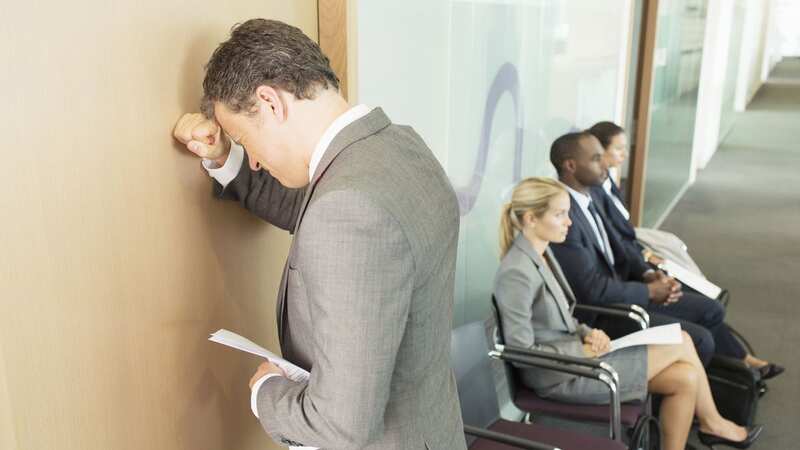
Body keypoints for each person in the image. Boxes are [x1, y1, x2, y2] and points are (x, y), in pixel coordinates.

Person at [172, 19, 465, 449]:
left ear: (270, 103)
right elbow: (320, 211)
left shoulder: (347, 210)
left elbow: (340, 428)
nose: (252, 160)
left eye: (243, 139)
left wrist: (265, 393)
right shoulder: (399, 148)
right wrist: (224, 157)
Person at [493, 177, 762, 450]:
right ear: (530, 219)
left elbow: (562, 317)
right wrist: (583, 352)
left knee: (685, 378)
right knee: (682, 341)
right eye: (560, 214)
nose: (569, 222)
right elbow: (520, 349)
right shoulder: (517, 272)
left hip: (578, 358)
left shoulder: (542, 255)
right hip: (559, 377)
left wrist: (589, 333)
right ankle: (713, 423)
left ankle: (709, 425)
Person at [547, 132, 770, 369]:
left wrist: (648, 274)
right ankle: (694, 389)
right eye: (595, 159)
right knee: (700, 339)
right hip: (605, 314)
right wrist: (648, 291)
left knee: (711, 309)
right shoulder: (564, 215)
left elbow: (621, 244)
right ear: (570, 165)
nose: (605, 164)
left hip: (626, 290)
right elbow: (592, 290)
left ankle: (733, 372)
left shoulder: (591, 194)